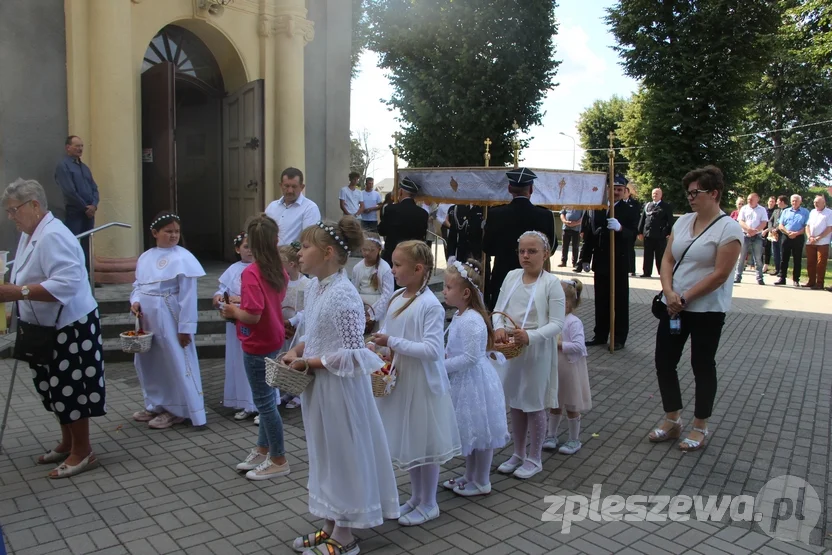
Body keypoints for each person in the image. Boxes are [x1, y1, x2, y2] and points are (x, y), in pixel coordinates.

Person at [282, 217, 399, 554]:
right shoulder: (316, 288)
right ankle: (329, 522)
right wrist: (296, 350)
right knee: (325, 454)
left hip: (340, 389)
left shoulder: (345, 295)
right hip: (318, 386)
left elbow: (352, 354)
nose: (299, 253)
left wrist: (309, 362)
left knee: (343, 455)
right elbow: (314, 334)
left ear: (328, 252)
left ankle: (345, 536)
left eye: (305, 247)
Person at [2, 178, 106, 478]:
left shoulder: (53, 235)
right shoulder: (30, 232)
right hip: (42, 324)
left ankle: (82, 449)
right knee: (50, 386)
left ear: (34, 205)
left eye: (14, 210)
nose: (11, 217)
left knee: (70, 388)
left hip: (70, 325)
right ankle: (67, 441)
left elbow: (69, 282)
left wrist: (19, 292)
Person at [648, 166, 742, 451]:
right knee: (664, 361)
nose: (690, 197)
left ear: (714, 194)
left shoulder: (729, 229)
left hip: (707, 310)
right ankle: (672, 418)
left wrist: (685, 297)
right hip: (673, 306)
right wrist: (669, 293)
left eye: (695, 192)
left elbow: (720, 274)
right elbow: (667, 260)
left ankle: (700, 425)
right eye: (688, 193)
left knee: (701, 365)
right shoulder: (682, 222)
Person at [372, 240, 461, 526]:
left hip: (422, 384)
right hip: (401, 380)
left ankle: (430, 501)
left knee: (424, 442)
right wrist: (379, 346)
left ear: (418, 268)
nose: (393, 270)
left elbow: (433, 350)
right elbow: (387, 329)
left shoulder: (429, 305)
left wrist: (392, 342)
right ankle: (416, 496)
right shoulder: (398, 296)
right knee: (410, 441)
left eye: (398, 265)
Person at [221, 214, 290, 480]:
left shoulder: (251, 272)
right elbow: (276, 299)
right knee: (268, 400)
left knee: (264, 405)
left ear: (251, 241)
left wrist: (232, 309)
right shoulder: (277, 268)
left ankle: (279, 458)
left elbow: (252, 315)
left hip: (257, 341)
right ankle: (262, 450)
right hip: (273, 337)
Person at [492, 232, 565, 480]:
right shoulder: (512, 276)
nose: (525, 256)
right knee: (515, 401)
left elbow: (557, 323)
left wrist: (531, 336)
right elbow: (498, 309)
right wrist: (498, 326)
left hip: (536, 350)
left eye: (532, 251)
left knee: (533, 404)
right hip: (512, 349)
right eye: (522, 251)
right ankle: (518, 452)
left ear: (545, 254)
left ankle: (535, 457)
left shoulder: (551, 283)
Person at [130, 213, 206, 429]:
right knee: (150, 362)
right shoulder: (146, 257)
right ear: (155, 233)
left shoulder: (182, 258)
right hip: (147, 317)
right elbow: (138, 284)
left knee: (173, 359)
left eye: (177, 231)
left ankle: (179, 409)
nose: (174, 235)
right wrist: (135, 301)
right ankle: (156, 403)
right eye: (168, 231)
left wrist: (186, 328)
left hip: (169, 315)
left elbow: (189, 297)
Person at [440, 258, 509, 497]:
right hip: (462, 380)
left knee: (481, 429)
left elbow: (470, 357)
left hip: (474, 381)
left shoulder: (472, 320)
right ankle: (469, 475)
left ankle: (482, 480)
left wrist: (441, 366)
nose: (444, 291)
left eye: (449, 287)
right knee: (469, 430)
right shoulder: (461, 315)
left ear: (466, 292)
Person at [482, 168, 556, 309]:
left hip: (502, 277)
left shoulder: (496, 214)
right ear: (531, 189)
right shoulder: (545, 215)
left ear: (510, 189)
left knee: (501, 320)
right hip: (533, 277)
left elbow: (487, 248)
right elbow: (550, 248)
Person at [583, 176, 641, 349]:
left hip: (619, 262)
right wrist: (585, 258)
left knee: (620, 301)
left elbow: (633, 235)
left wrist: (621, 228)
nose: (616, 192)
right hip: (601, 261)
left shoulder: (630, 209)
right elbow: (590, 234)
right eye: (613, 189)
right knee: (601, 300)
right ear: (607, 190)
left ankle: (619, 338)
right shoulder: (598, 208)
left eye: (619, 189)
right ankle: (600, 334)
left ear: (624, 191)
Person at [543, 279, 591, 455]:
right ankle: (551, 434)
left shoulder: (573, 322)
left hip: (570, 368)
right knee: (555, 403)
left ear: (568, 304)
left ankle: (574, 439)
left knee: (571, 405)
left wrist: (560, 344)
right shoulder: (553, 321)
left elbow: (580, 346)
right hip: (555, 368)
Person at [213, 232, 256, 421]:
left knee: (256, 363)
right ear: (238, 249)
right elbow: (222, 290)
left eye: (253, 246)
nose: (250, 250)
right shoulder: (233, 269)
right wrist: (218, 297)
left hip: (253, 321)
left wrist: (241, 300)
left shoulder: (260, 268)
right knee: (239, 363)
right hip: (234, 322)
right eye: (246, 246)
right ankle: (245, 402)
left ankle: (260, 405)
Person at [54, 135, 99, 273]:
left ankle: (88, 276)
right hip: (75, 212)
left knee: (87, 245)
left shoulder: (84, 167)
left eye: (81, 146)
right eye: (77, 146)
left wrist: (94, 205)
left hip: (89, 213)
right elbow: (69, 191)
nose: (80, 149)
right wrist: (85, 207)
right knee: (72, 244)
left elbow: (94, 188)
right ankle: (73, 274)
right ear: (68, 148)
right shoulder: (64, 166)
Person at [276, 242, 311, 411]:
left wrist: (293, 321)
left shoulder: (306, 284)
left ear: (290, 264)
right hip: (283, 327)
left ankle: (299, 393)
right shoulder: (281, 283)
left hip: (298, 327)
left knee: (297, 357)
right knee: (285, 356)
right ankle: (289, 389)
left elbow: (306, 309)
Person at [377, 177, 429, 266]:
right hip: (413, 257)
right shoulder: (423, 213)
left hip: (392, 256)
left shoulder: (391, 209)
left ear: (400, 192)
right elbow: (422, 236)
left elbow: (381, 231)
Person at [265, 167, 322, 246]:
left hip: (293, 256)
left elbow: (309, 240)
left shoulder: (310, 208)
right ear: (281, 185)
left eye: (294, 187)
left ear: (302, 187)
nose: (290, 191)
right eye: (286, 186)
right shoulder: (272, 207)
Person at [351, 232, 394, 332]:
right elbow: (354, 290)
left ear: (379, 249)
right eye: (364, 249)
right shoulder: (357, 268)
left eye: (371, 250)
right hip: (361, 306)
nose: (367, 253)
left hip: (379, 306)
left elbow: (387, 294)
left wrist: (374, 314)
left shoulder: (385, 268)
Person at [775, 194, 811, 287]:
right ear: (791, 202)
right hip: (786, 237)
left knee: (797, 259)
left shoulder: (805, 212)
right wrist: (787, 232)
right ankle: (782, 278)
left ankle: (796, 279)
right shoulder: (786, 211)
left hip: (798, 237)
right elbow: (780, 225)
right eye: (793, 201)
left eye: (796, 201)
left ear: (800, 202)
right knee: (784, 258)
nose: (794, 202)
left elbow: (806, 226)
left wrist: (796, 233)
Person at [637, 188, 674, 278]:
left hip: (660, 235)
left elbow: (670, 221)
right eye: (653, 193)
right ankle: (646, 272)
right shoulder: (647, 205)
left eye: (657, 193)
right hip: (648, 234)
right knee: (647, 255)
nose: (655, 195)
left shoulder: (666, 206)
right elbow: (643, 219)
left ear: (661, 195)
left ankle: (662, 273)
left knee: (660, 256)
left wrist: (669, 232)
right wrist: (640, 232)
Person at [734, 193, 769, 285]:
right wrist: (748, 229)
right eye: (748, 199)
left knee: (758, 258)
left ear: (757, 199)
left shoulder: (762, 210)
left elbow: (764, 222)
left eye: (751, 199)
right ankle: (738, 276)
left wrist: (755, 230)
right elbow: (740, 221)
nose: (749, 200)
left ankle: (760, 278)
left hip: (757, 236)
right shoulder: (744, 209)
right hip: (745, 235)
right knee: (741, 257)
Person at [803, 195, 832, 290]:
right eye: (814, 202)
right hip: (810, 241)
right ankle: (811, 281)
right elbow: (807, 226)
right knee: (810, 263)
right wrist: (809, 236)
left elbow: (829, 228)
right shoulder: (812, 212)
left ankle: (819, 283)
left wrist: (818, 237)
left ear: (823, 203)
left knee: (820, 263)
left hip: (822, 242)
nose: (815, 204)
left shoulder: (829, 213)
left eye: (817, 202)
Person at [624, 184, 640, 277]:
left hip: (630, 230)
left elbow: (637, 217)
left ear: (628, 193)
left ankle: (631, 269)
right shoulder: (619, 202)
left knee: (630, 250)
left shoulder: (634, 203)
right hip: (621, 230)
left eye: (625, 191)